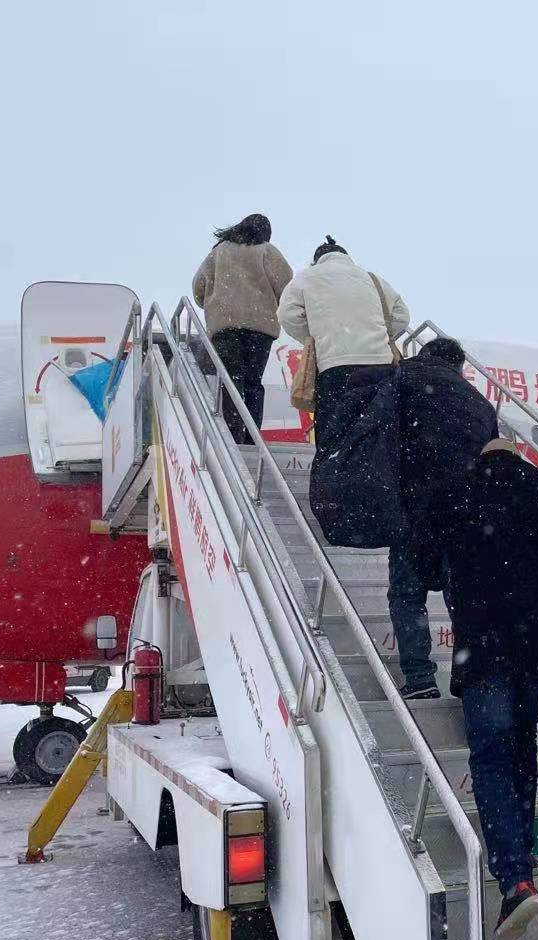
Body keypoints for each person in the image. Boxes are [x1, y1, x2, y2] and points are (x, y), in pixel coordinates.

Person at [413, 439, 538, 940]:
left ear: (481, 458)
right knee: (521, 743)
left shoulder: (455, 491)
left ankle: (514, 879)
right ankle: (521, 848)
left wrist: (458, 568)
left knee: (493, 755)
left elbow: (424, 569)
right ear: (517, 457)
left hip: (484, 645)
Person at [392, 337, 498, 699]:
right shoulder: (481, 405)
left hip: (414, 511)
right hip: (465, 519)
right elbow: (492, 466)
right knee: (463, 600)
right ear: (459, 367)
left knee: (408, 595)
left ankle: (420, 679)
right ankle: (472, 682)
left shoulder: (401, 378)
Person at [277, 236, 410, 459]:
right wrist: (380, 336)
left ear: (317, 260)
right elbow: (401, 316)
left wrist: (314, 338)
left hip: (336, 368)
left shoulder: (307, 277)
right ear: (347, 257)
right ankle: (374, 481)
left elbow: (287, 314)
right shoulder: (372, 279)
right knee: (379, 434)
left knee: (333, 435)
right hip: (381, 367)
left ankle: (332, 482)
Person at [191, 213, 294, 443]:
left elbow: (198, 286)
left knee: (230, 381)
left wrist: (212, 301)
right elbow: (287, 286)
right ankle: (251, 437)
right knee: (253, 382)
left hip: (225, 326)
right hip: (260, 329)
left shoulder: (219, 251)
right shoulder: (267, 251)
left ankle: (232, 434)